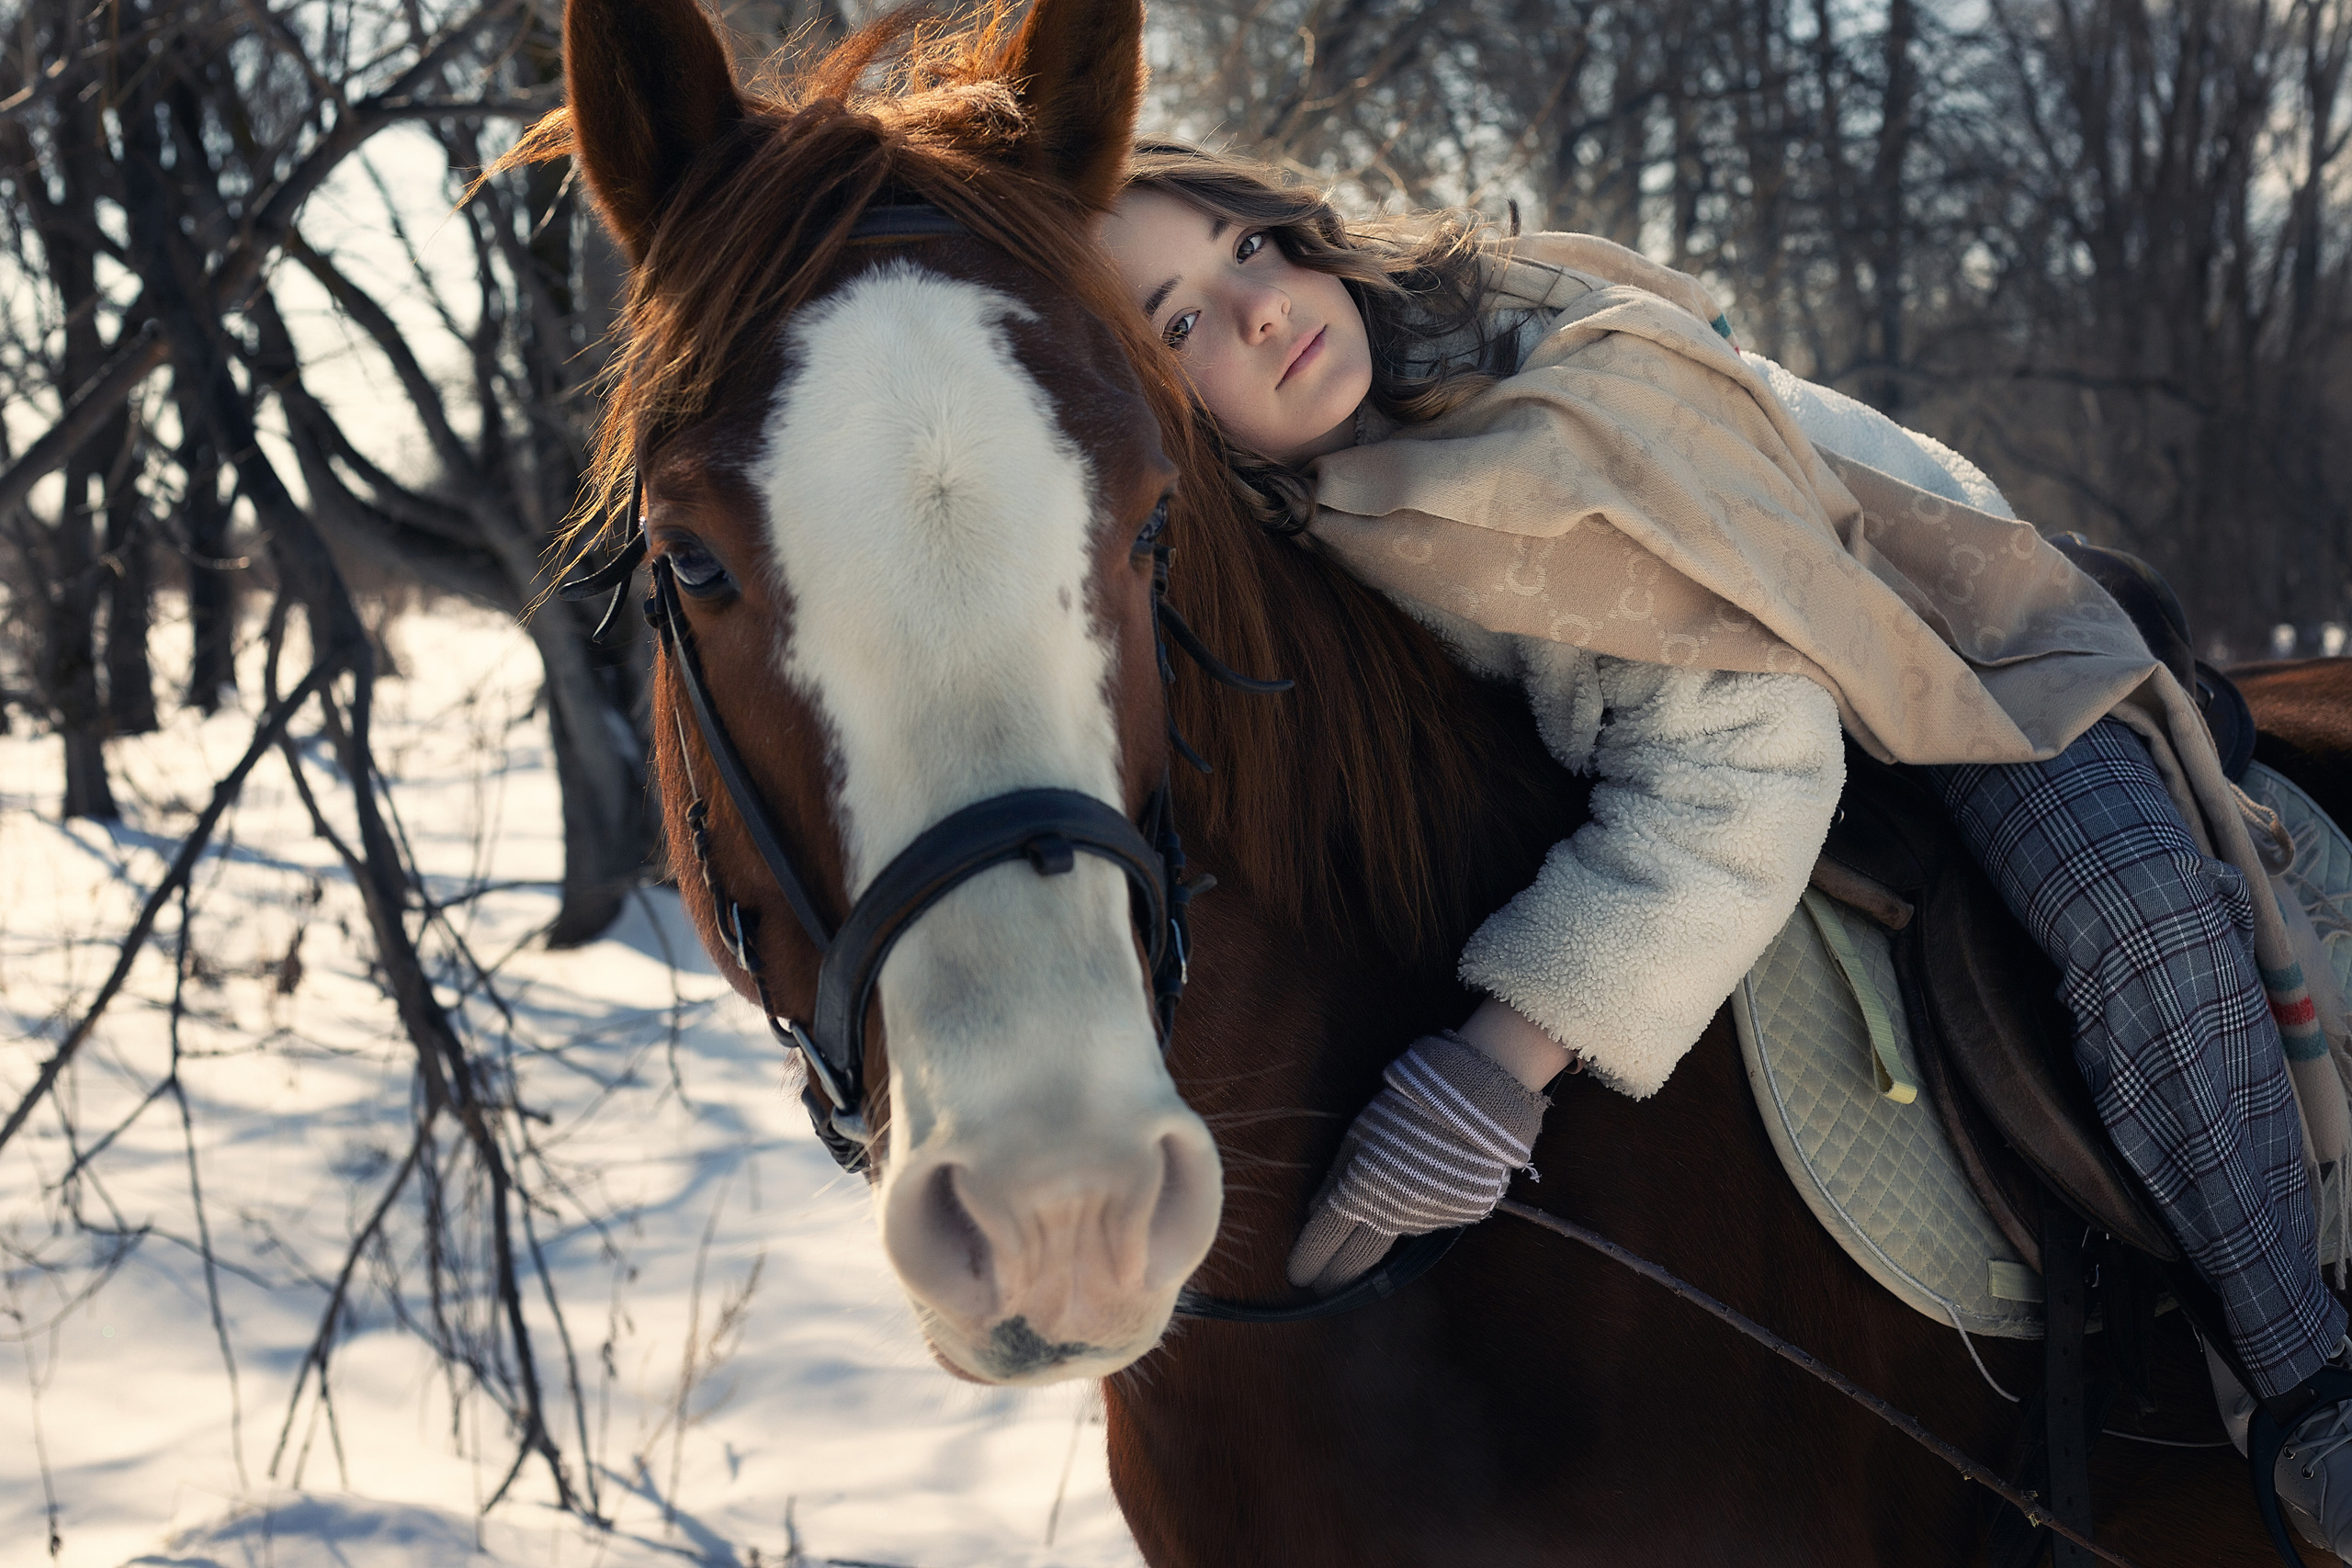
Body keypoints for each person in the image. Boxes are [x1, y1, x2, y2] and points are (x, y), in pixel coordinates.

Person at [1095, 140, 2352, 1555]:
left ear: (1296, 230)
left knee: (2137, 922)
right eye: (1181, 321)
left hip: (1943, 632)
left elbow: (1744, 762)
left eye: (1244, 248)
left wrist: (1496, 1068)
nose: (1257, 310)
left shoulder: (1504, 357)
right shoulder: (1314, 535)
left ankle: (2305, 1378)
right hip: (1774, 682)